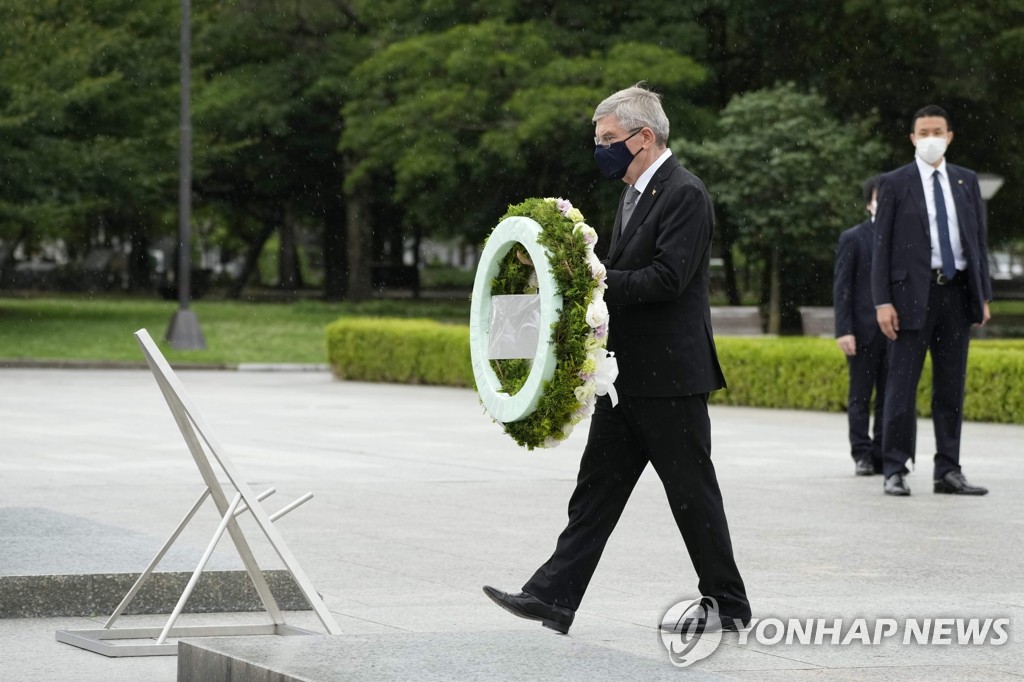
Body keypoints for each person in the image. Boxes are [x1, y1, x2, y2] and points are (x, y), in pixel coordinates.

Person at [483, 83, 750, 634]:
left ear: (644, 136)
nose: (601, 150)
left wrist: (589, 281)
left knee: (691, 496)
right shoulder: (633, 192)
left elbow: (669, 279)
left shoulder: (684, 193)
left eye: (609, 139)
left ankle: (728, 605)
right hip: (625, 377)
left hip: (671, 377)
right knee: (595, 492)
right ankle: (552, 597)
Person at [871, 105, 992, 497]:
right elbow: (881, 247)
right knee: (901, 385)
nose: (930, 138)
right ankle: (894, 467)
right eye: (923, 132)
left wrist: (982, 294)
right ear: (912, 138)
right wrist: (882, 301)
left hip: (956, 294)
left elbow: (978, 241)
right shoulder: (893, 182)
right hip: (909, 297)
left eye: (937, 131)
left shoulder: (966, 181)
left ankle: (949, 469)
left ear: (950, 136)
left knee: (951, 386)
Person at [833, 175, 888, 476]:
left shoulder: (902, 237)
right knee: (860, 396)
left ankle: (883, 452)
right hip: (862, 330)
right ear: (869, 203)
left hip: (895, 332)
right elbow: (843, 288)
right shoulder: (853, 238)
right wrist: (844, 330)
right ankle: (862, 454)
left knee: (890, 396)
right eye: (880, 197)